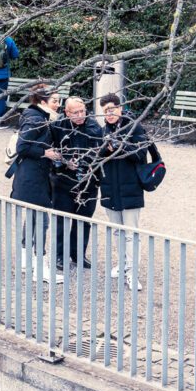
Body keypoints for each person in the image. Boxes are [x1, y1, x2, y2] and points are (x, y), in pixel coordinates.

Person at [10, 84, 64, 283]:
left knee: (34, 217)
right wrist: (45, 153)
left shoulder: (35, 116)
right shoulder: (36, 118)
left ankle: (27, 261)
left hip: (31, 177)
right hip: (34, 177)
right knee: (42, 220)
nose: (58, 105)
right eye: (55, 101)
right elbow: (22, 147)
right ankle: (40, 269)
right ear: (43, 101)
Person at [98, 93, 151, 290]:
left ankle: (132, 272)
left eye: (112, 110)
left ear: (120, 108)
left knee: (131, 233)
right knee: (117, 233)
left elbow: (141, 154)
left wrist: (119, 146)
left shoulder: (134, 127)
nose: (109, 114)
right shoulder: (102, 131)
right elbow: (97, 157)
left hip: (130, 188)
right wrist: (105, 148)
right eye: (105, 111)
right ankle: (123, 265)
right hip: (110, 187)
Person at [49, 97, 102, 270]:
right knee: (62, 220)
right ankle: (59, 255)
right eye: (76, 112)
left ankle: (78, 254)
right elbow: (50, 150)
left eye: (83, 111)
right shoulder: (57, 126)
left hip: (88, 182)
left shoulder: (94, 127)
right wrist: (64, 161)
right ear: (66, 112)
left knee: (84, 220)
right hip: (63, 181)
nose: (80, 115)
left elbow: (99, 153)